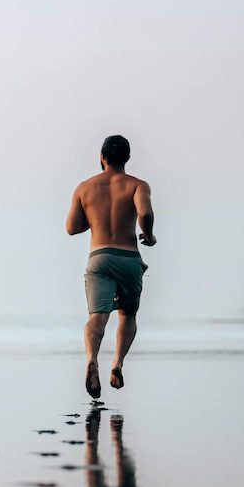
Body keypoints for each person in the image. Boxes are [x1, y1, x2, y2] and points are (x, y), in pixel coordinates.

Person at [66, 135, 156, 399]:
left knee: (97, 316)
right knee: (127, 315)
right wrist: (148, 235)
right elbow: (145, 213)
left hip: (99, 257)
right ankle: (117, 363)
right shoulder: (138, 186)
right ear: (127, 158)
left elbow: (71, 228)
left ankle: (92, 359)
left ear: (102, 157)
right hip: (128, 258)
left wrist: (94, 219)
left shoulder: (85, 188)